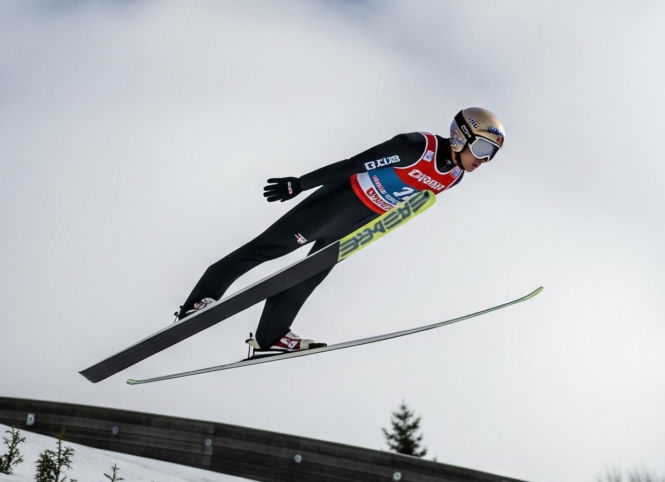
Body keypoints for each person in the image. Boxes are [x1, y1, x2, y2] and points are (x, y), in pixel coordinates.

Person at [176, 107, 505, 355]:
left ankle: (270, 337)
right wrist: (300, 184)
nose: (483, 161)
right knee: (270, 248)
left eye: (490, 155)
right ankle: (200, 300)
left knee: (310, 273)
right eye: (481, 150)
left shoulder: (455, 176)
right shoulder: (416, 147)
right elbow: (354, 163)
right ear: (461, 137)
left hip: (362, 220)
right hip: (337, 202)